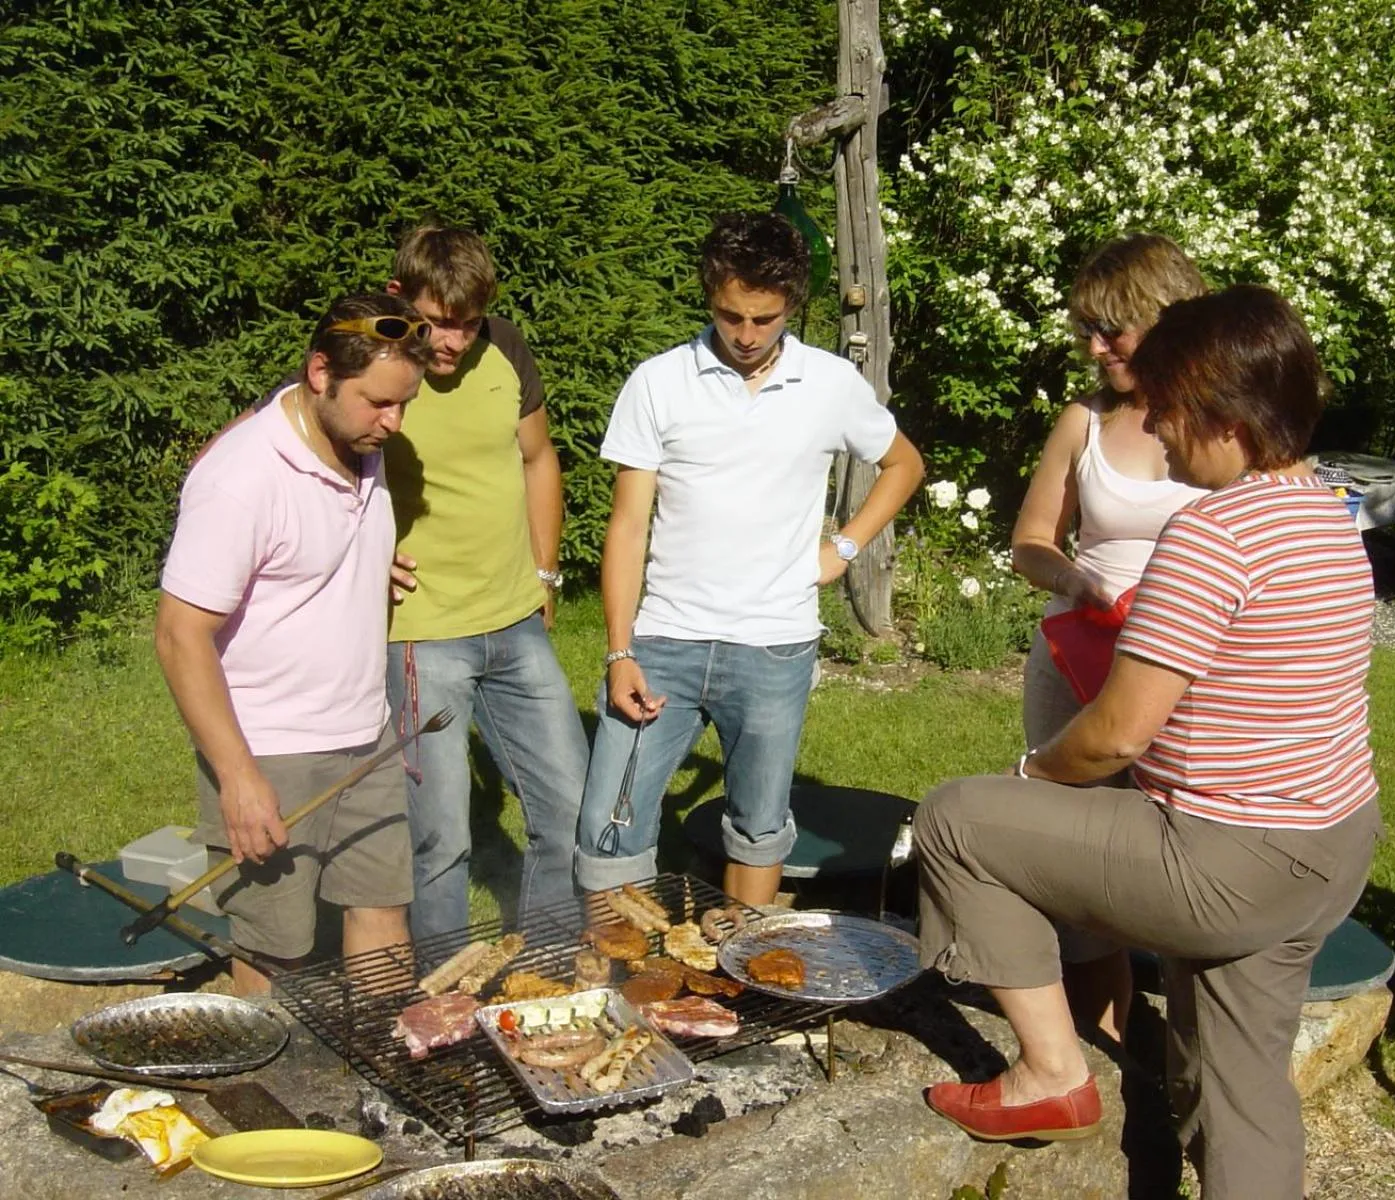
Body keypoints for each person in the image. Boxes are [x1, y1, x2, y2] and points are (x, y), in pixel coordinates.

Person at [915, 286, 1381, 1200]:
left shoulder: (1212, 532)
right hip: (1328, 846)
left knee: (955, 820)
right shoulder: (1330, 515)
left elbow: (1115, 734)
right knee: (1240, 1087)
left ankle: (1050, 1075)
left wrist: (1031, 773)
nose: (1159, 431)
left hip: (1222, 858)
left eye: (1170, 410)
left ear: (1223, 415)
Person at [575, 211, 925, 907]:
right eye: (730, 314)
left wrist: (845, 547)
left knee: (760, 828)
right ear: (710, 297)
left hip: (774, 646)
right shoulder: (659, 381)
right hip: (666, 640)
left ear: (792, 304)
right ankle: (622, 989)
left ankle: (743, 984)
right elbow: (628, 524)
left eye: (763, 319)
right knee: (608, 826)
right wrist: (620, 653)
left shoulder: (829, 383)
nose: (744, 334)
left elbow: (903, 463)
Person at [155, 293, 431, 995]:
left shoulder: (355, 444)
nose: (393, 423)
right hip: (269, 750)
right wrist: (240, 779)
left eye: (403, 404)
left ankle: (391, 1076)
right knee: (276, 949)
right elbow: (180, 634)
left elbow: (307, 552)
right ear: (319, 373)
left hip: (367, 732)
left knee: (383, 912)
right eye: (378, 404)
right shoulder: (240, 478)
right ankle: (271, 1093)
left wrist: (368, 563)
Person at [1009, 232, 1208, 1043]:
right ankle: (1104, 1041)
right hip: (1076, 656)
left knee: (1183, 858)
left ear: (1162, 320)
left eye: (1111, 330)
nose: (1094, 348)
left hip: (1189, 672)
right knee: (1075, 854)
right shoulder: (1082, 422)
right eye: (1084, 330)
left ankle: (1196, 1042)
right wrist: (1072, 578)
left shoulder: (1223, 423)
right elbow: (1031, 540)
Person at [381, 224, 589, 942]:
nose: (452, 343)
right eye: (437, 324)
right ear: (399, 296)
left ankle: (552, 980)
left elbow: (539, 459)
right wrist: (362, 554)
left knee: (569, 812)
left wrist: (545, 572)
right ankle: (437, 1002)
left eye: (466, 325)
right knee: (441, 843)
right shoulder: (367, 359)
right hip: (422, 636)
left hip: (515, 623)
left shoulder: (505, 346)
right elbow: (298, 466)